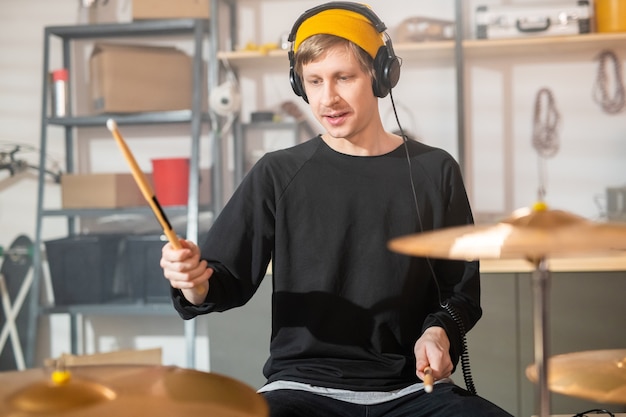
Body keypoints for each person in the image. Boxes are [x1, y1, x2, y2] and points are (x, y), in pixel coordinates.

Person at [160, 2, 513, 416]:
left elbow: (462, 291)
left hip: (413, 392)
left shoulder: (435, 171)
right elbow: (220, 282)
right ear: (299, 83)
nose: (328, 98)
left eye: (343, 77)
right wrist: (192, 282)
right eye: (314, 81)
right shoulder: (277, 173)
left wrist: (438, 332)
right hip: (301, 390)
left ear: (381, 77)